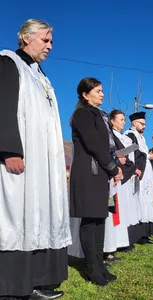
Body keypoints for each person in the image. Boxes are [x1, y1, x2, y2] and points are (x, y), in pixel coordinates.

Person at [0, 19, 72, 300]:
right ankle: (12, 288)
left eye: (51, 41)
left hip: (43, 162)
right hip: (20, 157)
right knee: (18, 213)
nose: (50, 46)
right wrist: (9, 149)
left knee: (40, 212)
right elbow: (3, 106)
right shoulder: (8, 62)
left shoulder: (40, 76)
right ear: (26, 38)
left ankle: (38, 281)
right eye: (45, 40)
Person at [69, 77, 123, 286]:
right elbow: (93, 144)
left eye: (101, 91)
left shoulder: (99, 116)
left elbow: (106, 146)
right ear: (85, 94)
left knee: (99, 219)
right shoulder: (83, 114)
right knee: (90, 220)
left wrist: (112, 167)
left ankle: (99, 264)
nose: (102, 94)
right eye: (98, 91)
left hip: (99, 171)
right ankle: (91, 268)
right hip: (88, 171)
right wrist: (112, 167)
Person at [124, 112, 153, 243]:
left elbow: (142, 153)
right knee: (139, 200)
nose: (144, 126)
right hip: (138, 172)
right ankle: (138, 234)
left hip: (146, 172)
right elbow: (131, 153)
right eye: (142, 123)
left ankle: (145, 234)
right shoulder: (130, 135)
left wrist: (149, 155)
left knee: (146, 200)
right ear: (134, 123)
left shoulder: (142, 138)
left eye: (145, 124)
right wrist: (147, 157)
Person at [109, 110, 142, 249]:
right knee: (115, 210)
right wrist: (118, 159)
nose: (123, 122)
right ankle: (114, 243)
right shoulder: (111, 136)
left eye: (124, 119)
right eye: (121, 119)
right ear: (112, 121)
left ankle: (122, 241)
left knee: (122, 210)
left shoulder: (120, 137)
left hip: (123, 175)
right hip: (115, 177)